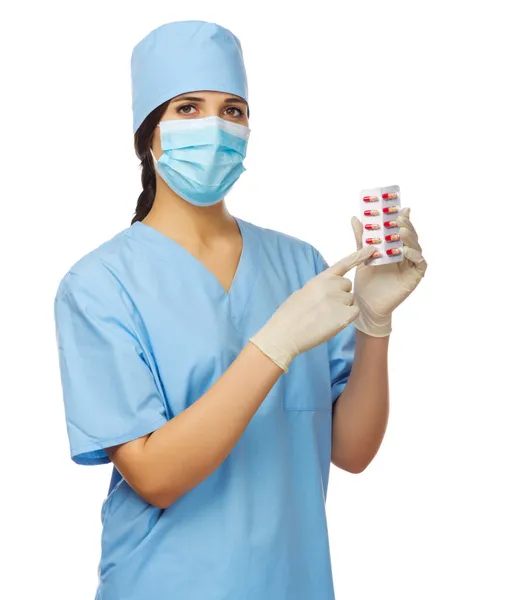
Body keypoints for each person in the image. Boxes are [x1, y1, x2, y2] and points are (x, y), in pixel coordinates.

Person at [53, 20, 427, 600]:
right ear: (147, 135)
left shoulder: (299, 263)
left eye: (232, 110)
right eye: (187, 108)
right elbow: (154, 476)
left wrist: (375, 323)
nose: (214, 125)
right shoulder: (100, 284)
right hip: (164, 584)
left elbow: (351, 452)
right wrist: (274, 344)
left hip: (294, 582)